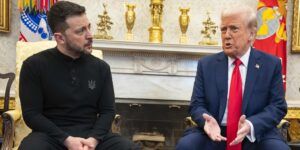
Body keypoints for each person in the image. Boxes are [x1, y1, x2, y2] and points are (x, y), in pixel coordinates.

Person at [19, 1, 133, 150]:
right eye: (81, 31)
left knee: (128, 147)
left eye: (89, 27)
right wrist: (66, 140)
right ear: (60, 38)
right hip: (51, 136)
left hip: (92, 136)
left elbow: (107, 111)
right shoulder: (33, 65)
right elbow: (32, 115)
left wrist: (93, 139)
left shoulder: (101, 68)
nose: (90, 35)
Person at [176, 4, 289, 150]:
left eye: (234, 29)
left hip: (255, 133)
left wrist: (251, 124)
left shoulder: (271, 64)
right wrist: (207, 121)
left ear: (252, 34)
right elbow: (196, 104)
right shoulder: (206, 64)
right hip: (216, 132)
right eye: (223, 29)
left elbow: (278, 106)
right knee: (186, 146)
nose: (226, 35)